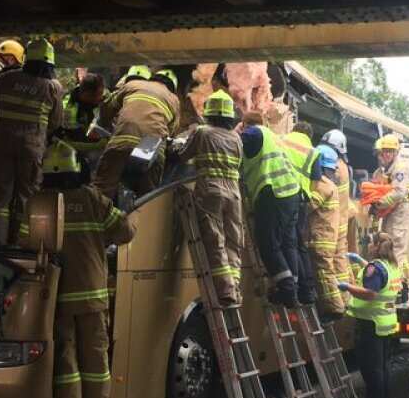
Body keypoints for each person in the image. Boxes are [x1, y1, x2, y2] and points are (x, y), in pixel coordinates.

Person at [40, 140, 136, 398]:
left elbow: (25, 242)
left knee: (65, 361)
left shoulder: (40, 201)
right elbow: (126, 232)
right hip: (93, 296)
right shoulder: (93, 199)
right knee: (95, 359)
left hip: (58, 296)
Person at [0, 38, 64, 244]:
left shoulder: (6, 79)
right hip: (32, 150)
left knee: (1, 197)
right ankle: (19, 244)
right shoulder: (52, 87)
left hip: (3, 146)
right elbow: (56, 123)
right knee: (26, 199)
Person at [171, 90, 244, 306]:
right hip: (234, 194)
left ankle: (225, 291)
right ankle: (235, 287)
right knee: (233, 240)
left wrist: (174, 146)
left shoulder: (203, 132)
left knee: (215, 240)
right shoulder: (236, 138)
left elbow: (183, 155)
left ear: (209, 114)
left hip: (210, 189)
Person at [240, 122, 305, 307]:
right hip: (292, 192)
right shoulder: (273, 137)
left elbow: (232, 144)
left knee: (268, 243)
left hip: (274, 192)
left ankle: (286, 289)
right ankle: (292, 289)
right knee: (288, 243)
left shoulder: (253, 132)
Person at [340, 232, 401, 398]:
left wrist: (346, 287)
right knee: (382, 368)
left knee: (370, 370)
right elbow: (379, 280)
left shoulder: (375, 267)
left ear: (375, 246)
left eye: (370, 243)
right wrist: (361, 262)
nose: (367, 246)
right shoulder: (391, 265)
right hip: (385, 324)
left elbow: (370, 293)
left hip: (370, 324)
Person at [94, 67, 180, 200]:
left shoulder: (132, 85)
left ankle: (98, 214)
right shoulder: (174, 100)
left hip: (123, 139)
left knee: (103, 187)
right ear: (172, 87)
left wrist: (109, 124)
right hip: (151, 144)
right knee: (147, 197)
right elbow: (171, 132)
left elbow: (107, 110)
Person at [281, 121, 321, 306]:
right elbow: (316, 180)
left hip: (280, 194)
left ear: (294, 130)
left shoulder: (282, 139)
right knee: (299, 245)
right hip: (300, 200)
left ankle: (291, 286)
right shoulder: (313, 151)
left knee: (285, 242)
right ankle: (308, 289)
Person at [370, 133, 409, 283]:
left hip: (399, 213)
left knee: (397, 249)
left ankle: (402, 286)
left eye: (390, 151)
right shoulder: (383, 170)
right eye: (384, 151)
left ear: (396, 152)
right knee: (388, 247)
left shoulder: (400, 169)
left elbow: (399, 192)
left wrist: (380, 203)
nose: (387, 154)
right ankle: (394, 282)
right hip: (388, 212)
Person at [307, 144, 345, 319]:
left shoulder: (323, 184)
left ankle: (335, 308)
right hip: (327, 238)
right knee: (324, 272)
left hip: (320, 238)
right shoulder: (332, 185)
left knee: (324, 273)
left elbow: (309, 205)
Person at [320, 128, 353, 302]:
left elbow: (323, 186)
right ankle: (346, 298)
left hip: (334, 219)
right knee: (340, 258)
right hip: (340, 219)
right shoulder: (343, 165)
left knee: (335, 260)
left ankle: (342, 301)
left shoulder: (335, 167)